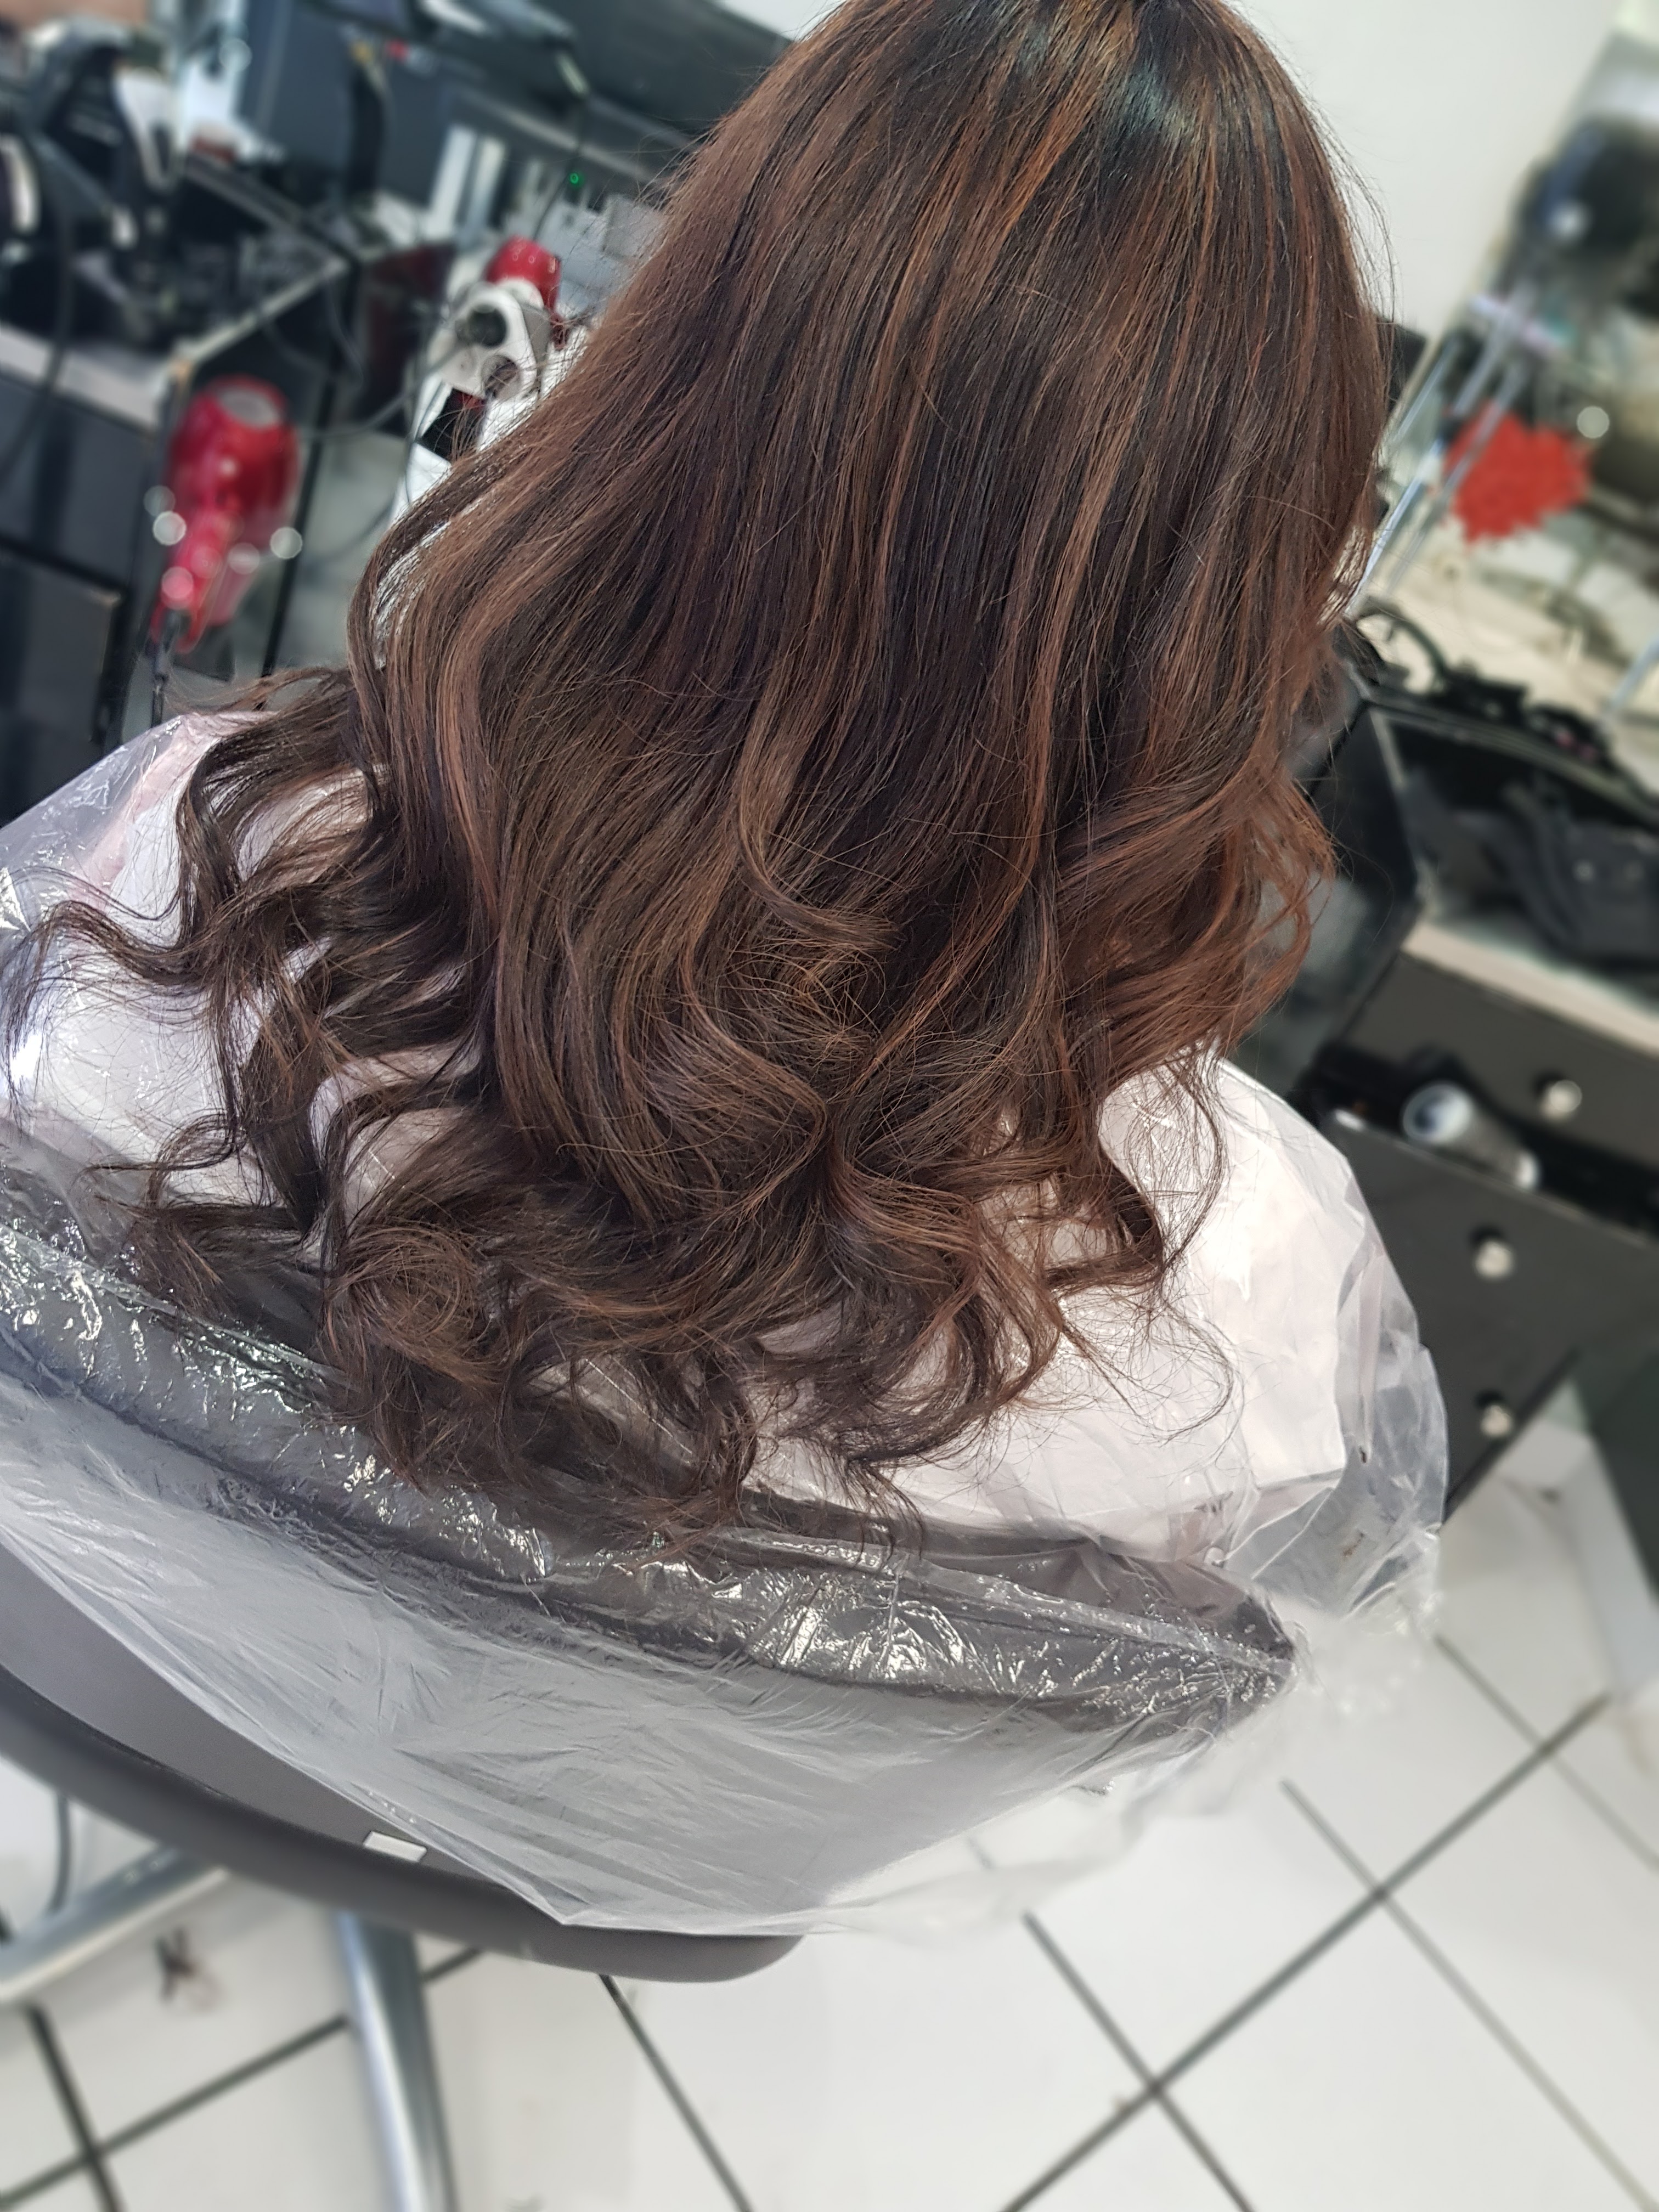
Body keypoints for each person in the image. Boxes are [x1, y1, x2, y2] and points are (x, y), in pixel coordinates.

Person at [0, 0, 1443, 1610]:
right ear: (1240, 618)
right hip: (618, 1793)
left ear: (653, 386)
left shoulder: (202, 877)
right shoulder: (1242, 1314)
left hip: (124, 1683)